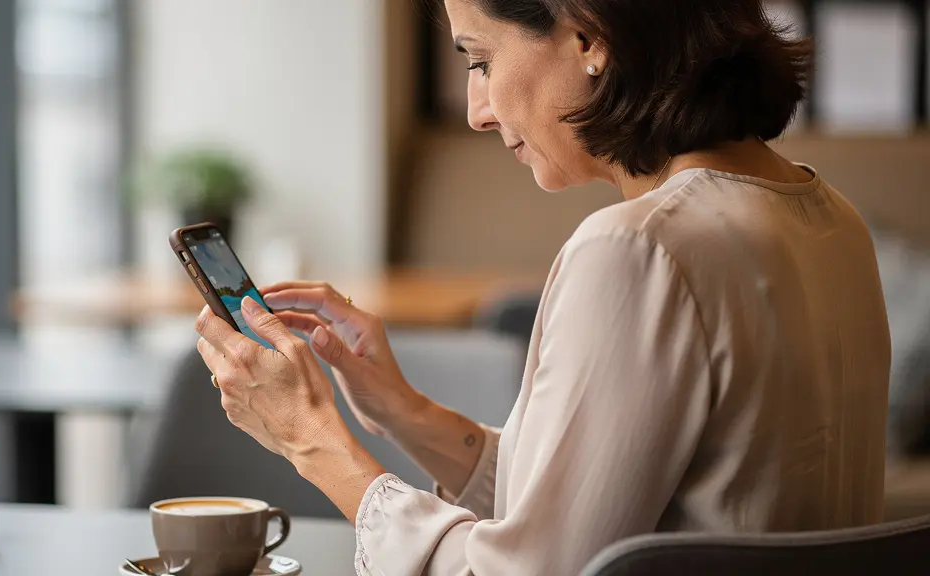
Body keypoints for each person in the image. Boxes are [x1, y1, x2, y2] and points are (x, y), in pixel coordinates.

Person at [194, 0, 892, 573]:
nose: (478, 110)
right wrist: (402, 411)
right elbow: (590, 513)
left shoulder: (639, 248)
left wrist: (310, 439)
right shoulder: (831, 219)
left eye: (481, 60)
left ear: (589, 36)